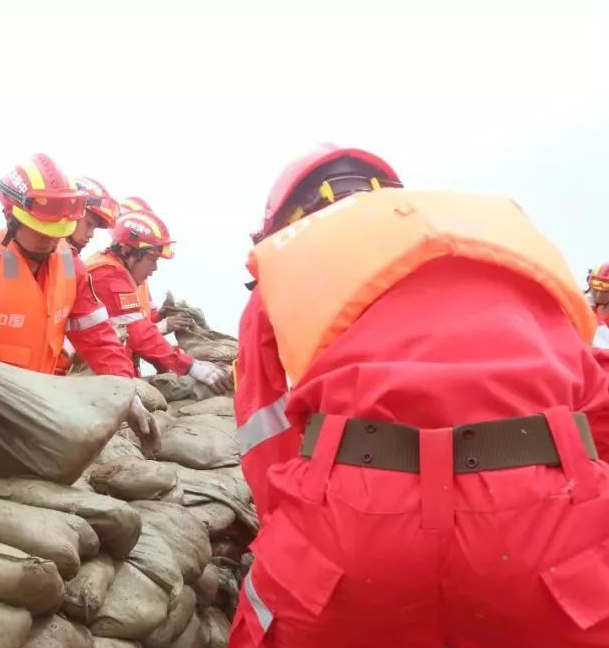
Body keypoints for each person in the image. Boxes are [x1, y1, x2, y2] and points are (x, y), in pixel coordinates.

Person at [228, 144, 609, 647]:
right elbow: (595, 400)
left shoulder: (289, 265)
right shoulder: (504, 248)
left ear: (292, 216)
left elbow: (266, 430)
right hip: (546, 515)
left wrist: (297, 534)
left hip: (352, 521)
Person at [0, 153, 158, 448]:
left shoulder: (69, 264)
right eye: (41, 229)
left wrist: (125, 393)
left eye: (57, 230)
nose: (49, 239)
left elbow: (99, 339)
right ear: (12, 217)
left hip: (39, 404)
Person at [85, 209, 230, 391]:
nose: (155, 268)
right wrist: (190, 366)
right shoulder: (107, 277)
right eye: (152, 258)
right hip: (91, 378)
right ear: (127, 251)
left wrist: (160, 319)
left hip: (109, 372)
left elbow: (139, 324)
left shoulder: (119, 273)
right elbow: (139, 335)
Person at [67, 177, 118, 254]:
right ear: (71, 212)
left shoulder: (66, 253)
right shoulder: (63, 254)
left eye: (94, 227)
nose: (91, 234)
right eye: (88, 224)